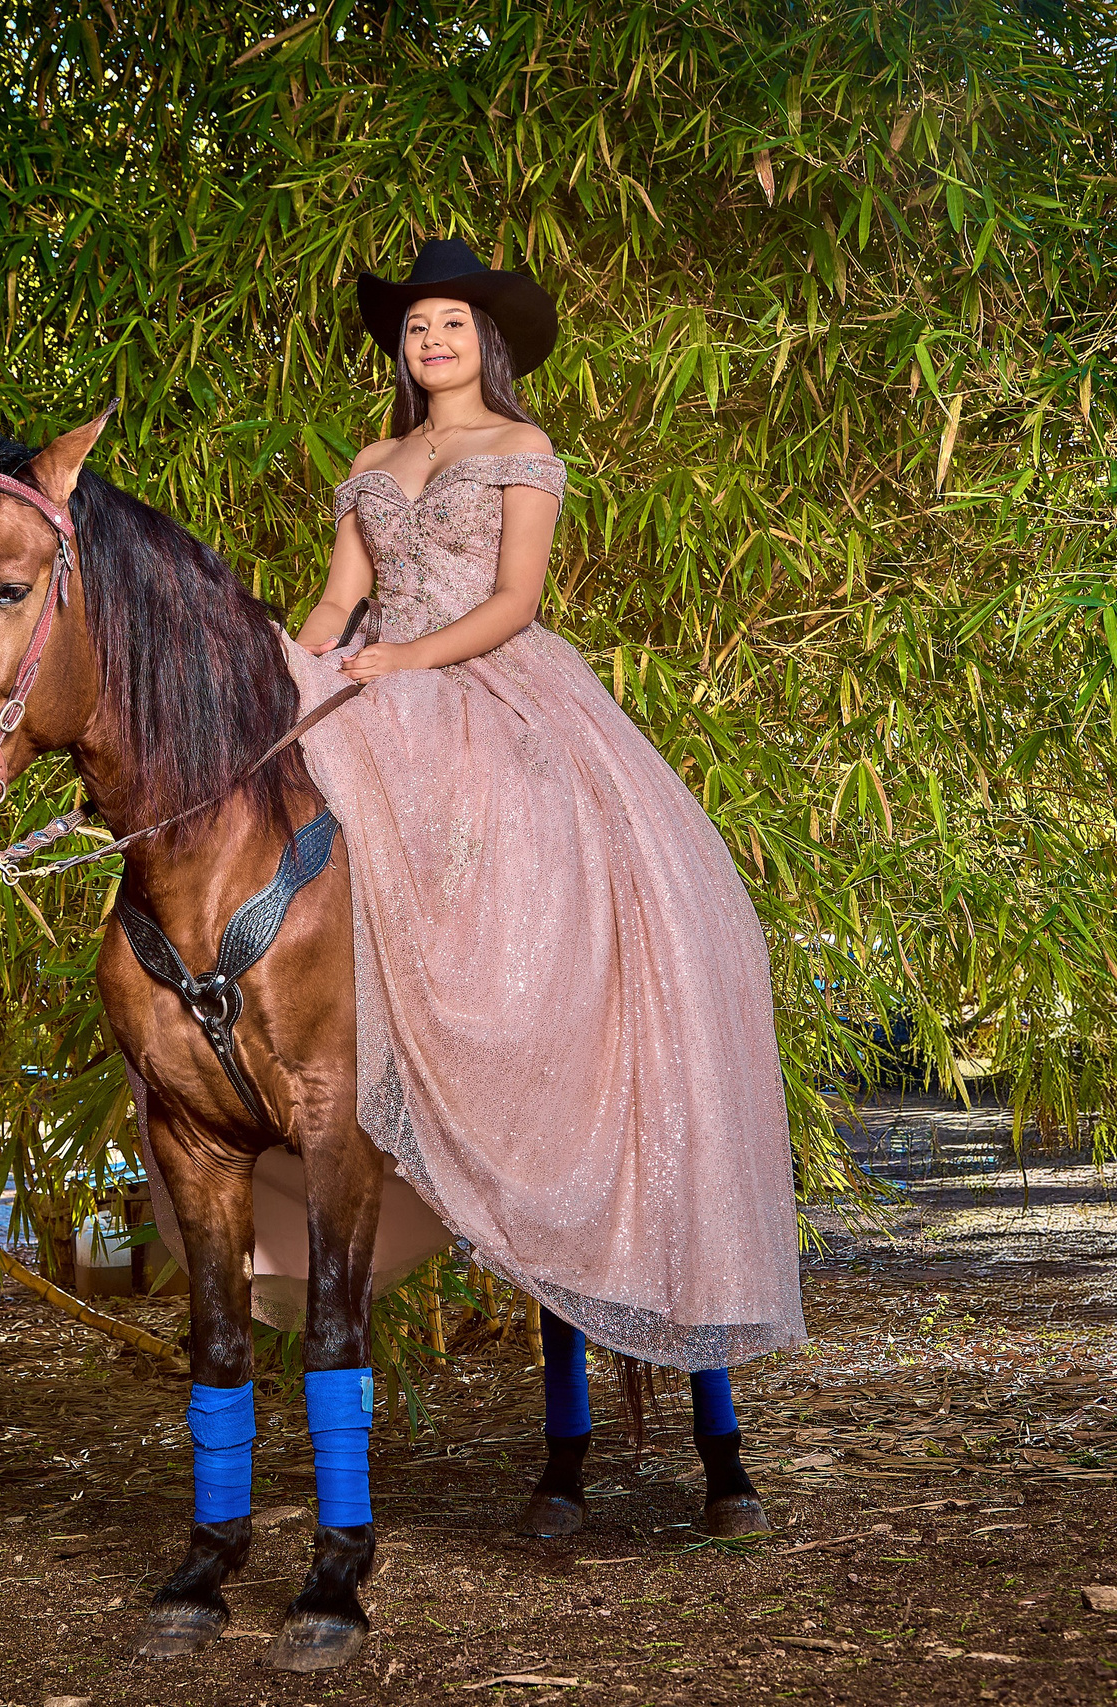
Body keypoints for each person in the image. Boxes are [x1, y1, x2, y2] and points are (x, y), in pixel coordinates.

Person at [281, 237, 809, 1538]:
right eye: (415, 329)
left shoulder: (523, 448)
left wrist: (400, 669)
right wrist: (286, 680)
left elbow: (515, 603)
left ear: (486, 340)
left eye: (451, 324)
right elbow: (343, 597)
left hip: (494, 695)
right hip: (383, 692)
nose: (432, 343)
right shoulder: (368, 466)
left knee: (570, 902)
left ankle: (717, 1433)